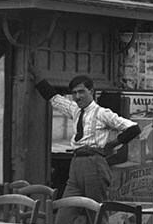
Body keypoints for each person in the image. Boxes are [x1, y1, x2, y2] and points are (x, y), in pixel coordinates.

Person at [29, 64, 141, 202]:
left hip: (94, 162)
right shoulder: (75, 110)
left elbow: (134, 129)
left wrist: (112, 145)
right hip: (76, 163)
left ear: (91, 91)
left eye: (81, 92)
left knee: (95, 209)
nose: (77, 96)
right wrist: (36, 75)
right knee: (66, 209)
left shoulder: (102, 113)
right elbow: (53, 98)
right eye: (74, 93)